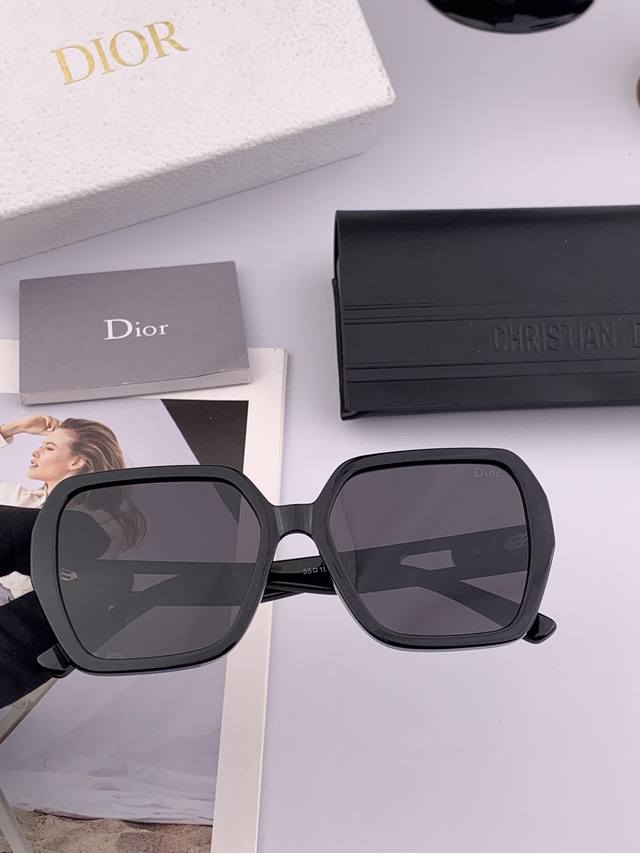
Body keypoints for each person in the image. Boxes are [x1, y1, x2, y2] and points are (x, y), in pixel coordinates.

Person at [0, 414, 141, 602]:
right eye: (41, 446)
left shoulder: (103, 523)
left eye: (49, 448)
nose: (35, 452)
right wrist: (15, 428)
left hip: (45, 614)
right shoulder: (16, 499)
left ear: (76, 462)